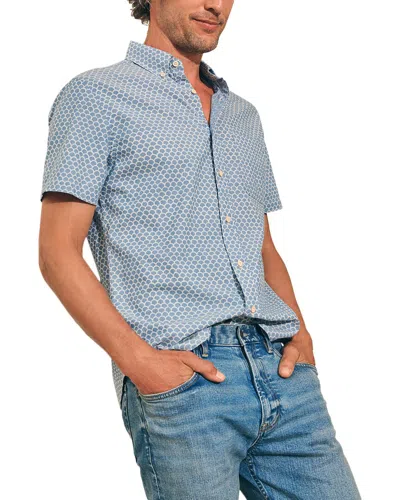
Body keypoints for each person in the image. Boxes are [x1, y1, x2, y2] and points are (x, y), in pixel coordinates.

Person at [38, 0, 362, 498]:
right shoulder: (95, 97)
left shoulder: (243, 115)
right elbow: (57, 253)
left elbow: (262, 246)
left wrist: (301, 335)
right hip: (185, 382)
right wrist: (141, 364)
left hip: (282, 369)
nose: (215, 4)